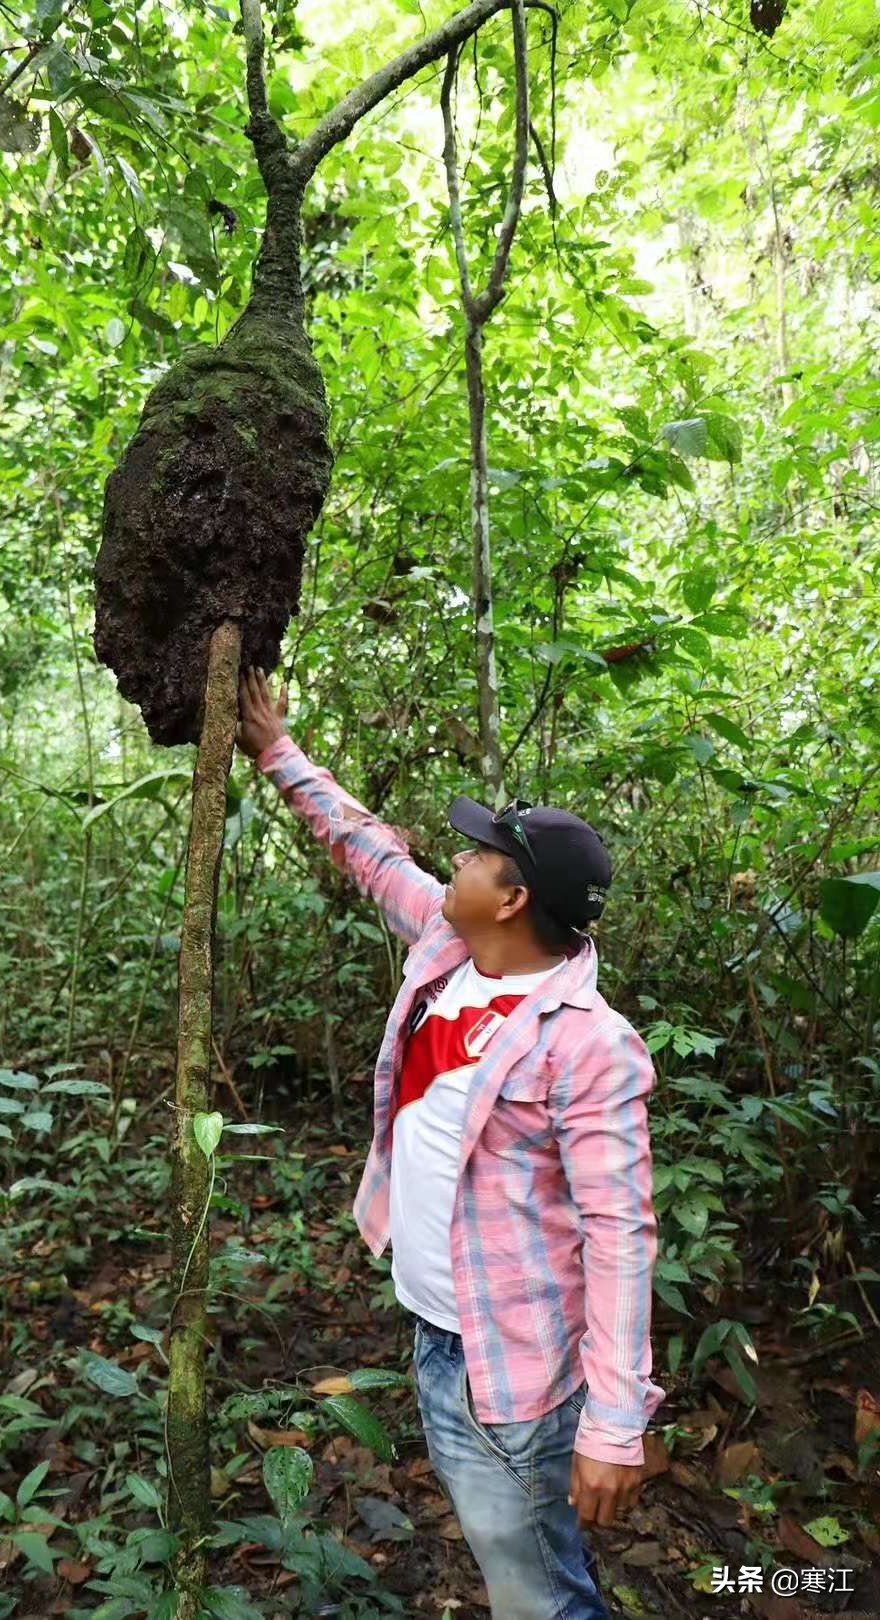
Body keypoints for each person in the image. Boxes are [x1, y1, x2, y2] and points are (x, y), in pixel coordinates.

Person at [236, 667, 664, 1620]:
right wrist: (275, 751)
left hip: (508, 1362)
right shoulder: (448, 949)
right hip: (440, 1329)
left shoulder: (589, 1045)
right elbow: (366, 847)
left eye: (476, 856)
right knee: (521, 1568)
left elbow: (621, 1236)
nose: (454, 862)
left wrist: (617, 1422)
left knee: (537, 1594)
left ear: (513, 899)